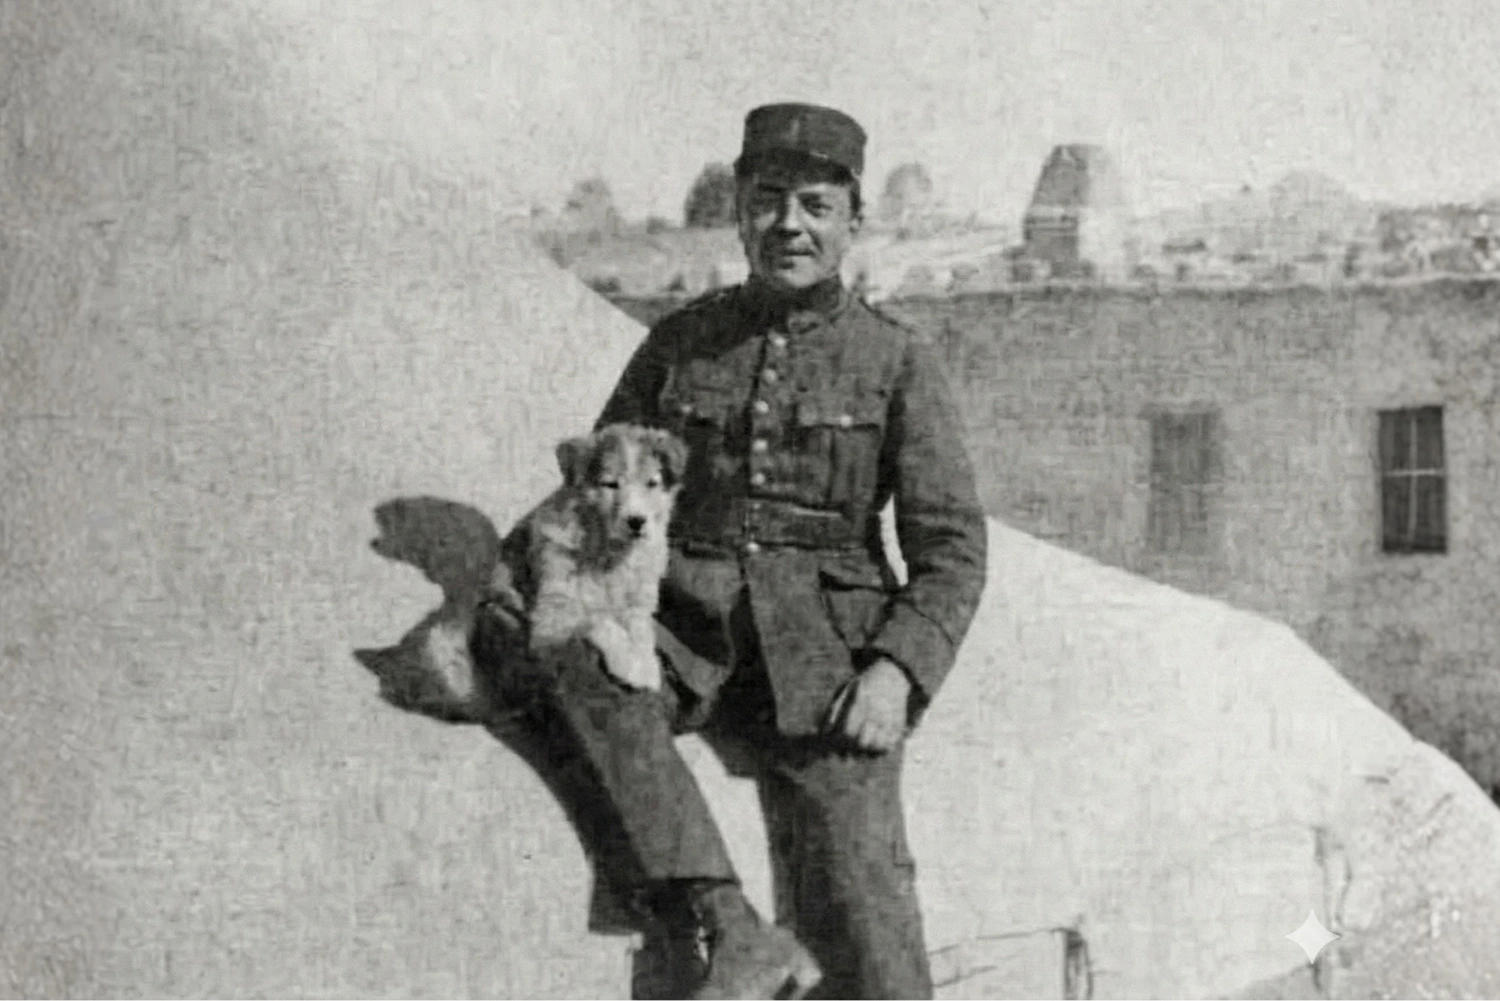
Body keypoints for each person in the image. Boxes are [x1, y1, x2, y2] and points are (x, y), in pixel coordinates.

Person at [476, 102, 988, 999]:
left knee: (864, 903)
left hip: (828, 657)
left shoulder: (898, 361)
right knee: (573, 664)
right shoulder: (680, 344)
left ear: (852, 220)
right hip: (685, 627)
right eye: (767, 201)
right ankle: (729, 924)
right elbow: (597, 485)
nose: (789, 225)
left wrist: (897, 673)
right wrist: (521, 569)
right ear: (741, 211)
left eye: (815, 206)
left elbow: (951, 549)